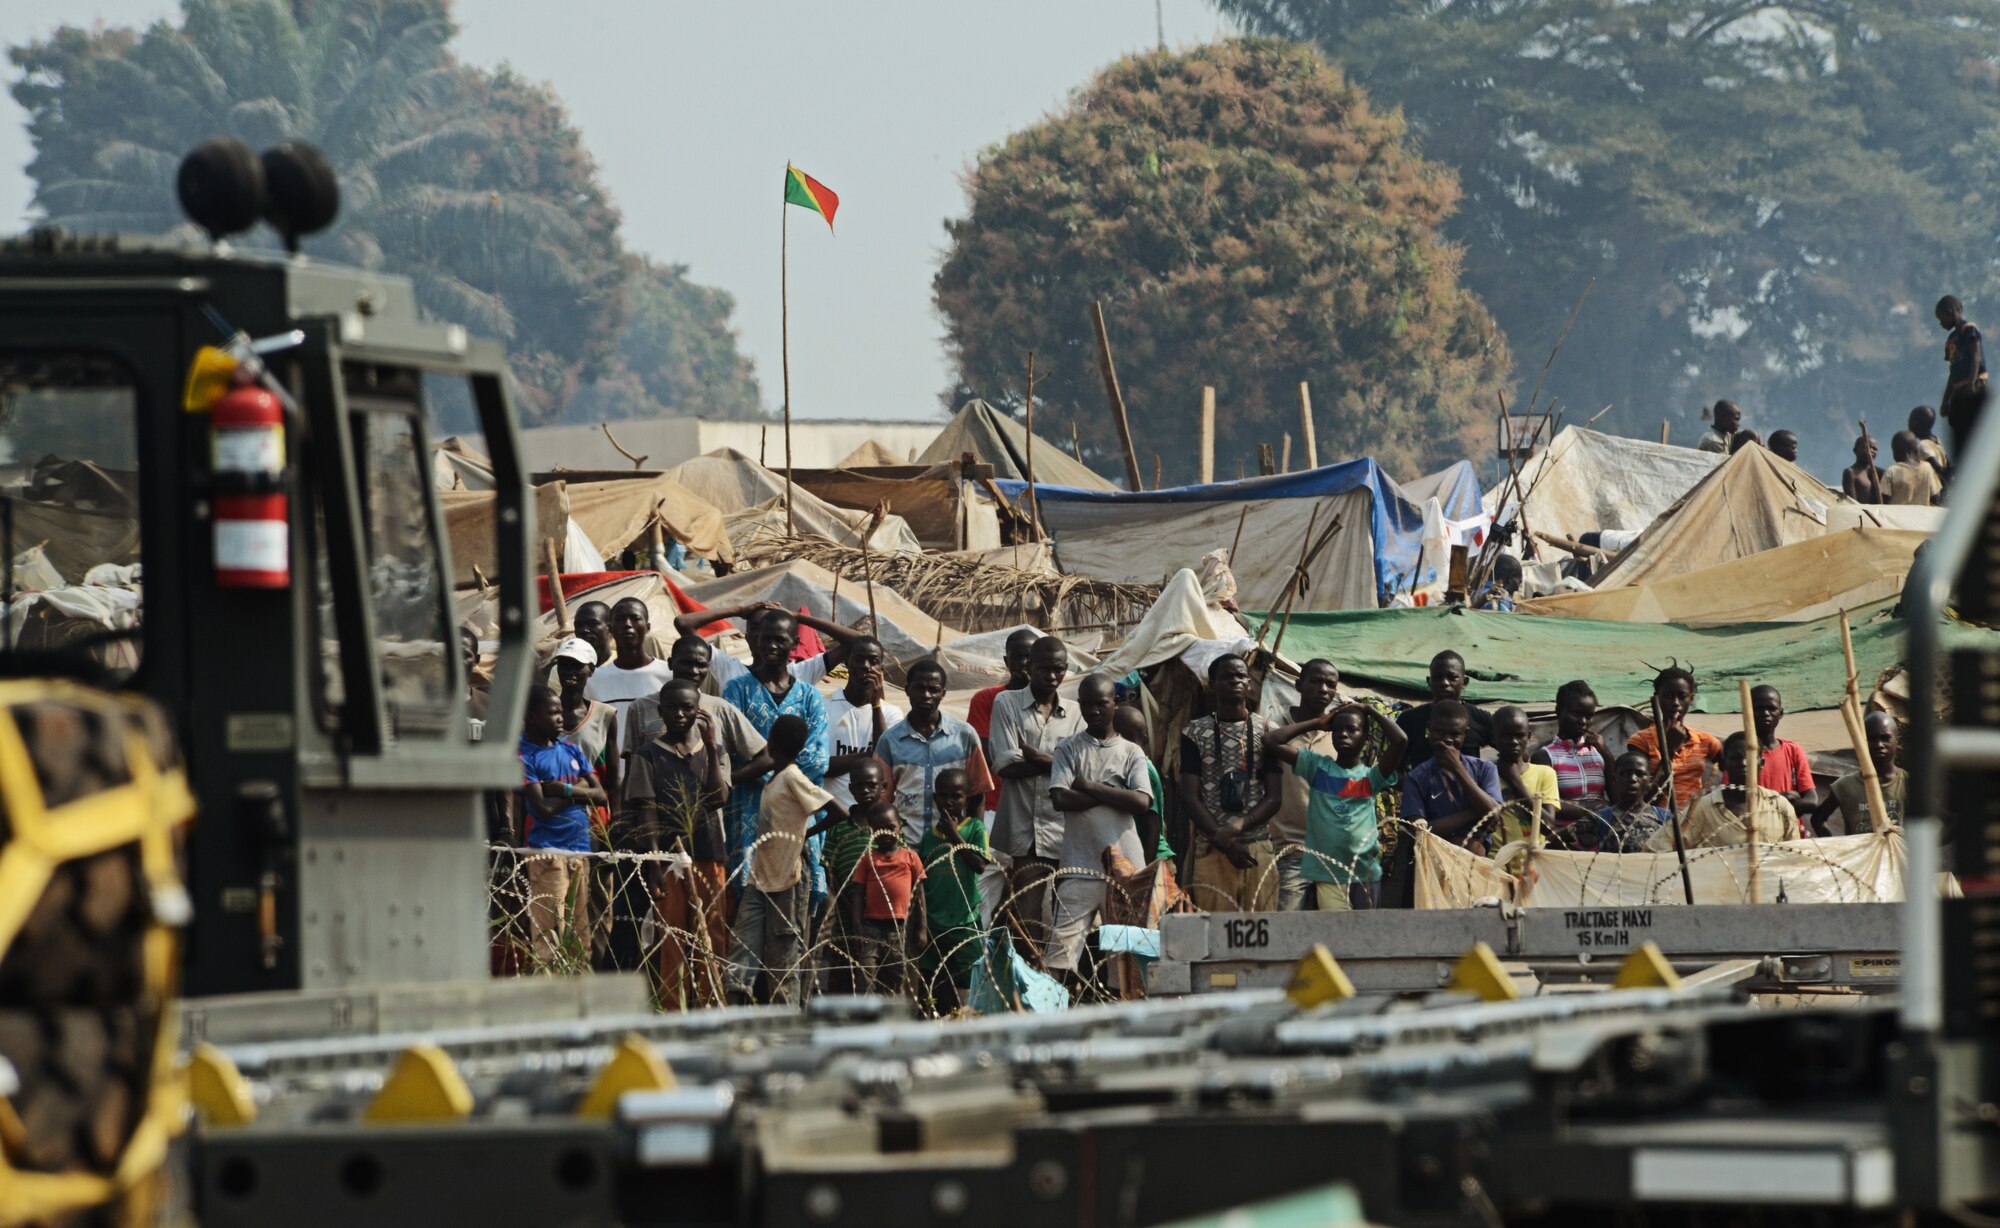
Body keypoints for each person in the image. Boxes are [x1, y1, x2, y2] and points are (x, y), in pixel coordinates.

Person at [621, 679, 730, 1007]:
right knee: (672, 938)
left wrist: (710, 747)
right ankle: (674, 1008)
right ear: (661, 711)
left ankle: (710, 1007)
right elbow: (646, 810)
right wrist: (654, 863)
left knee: (712, 936)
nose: (680, 714)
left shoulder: (715, 751)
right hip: (669, 859)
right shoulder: (647, 755)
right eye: (672, 708)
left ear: (698, 711)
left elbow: (718, 798)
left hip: (709, 854)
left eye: (687, 708)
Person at [729, 714, 844, 1005]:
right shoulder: (778, 778)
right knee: (743, 946)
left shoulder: (793, 777)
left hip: (788, 877)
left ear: (771, 740)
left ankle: (786, 1021)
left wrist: (804, 835)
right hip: (761, 875)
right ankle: (734, 1010)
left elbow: (838, 811)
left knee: (783, 955)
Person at [1046, 674, 1155, 979]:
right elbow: (1060, 799)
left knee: (1126, 961)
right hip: (1079, 867)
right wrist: (1114, 792)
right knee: (1060, 955)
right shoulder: (1067, 748)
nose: (1093, 710)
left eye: (1101, 704)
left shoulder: (1132, 751)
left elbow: (1141, 802)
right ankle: (1054, 1016)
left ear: (1115, 704)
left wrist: (1088, 785)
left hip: (1124, 869)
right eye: (1087, 704)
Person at [720, 610, 831, 901]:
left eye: (779, 640)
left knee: (798, 895)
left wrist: (763, 764)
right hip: (748, 809)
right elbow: (729, 748)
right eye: (764, 638)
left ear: (793, 644)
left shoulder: (810, 697)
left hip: (796, 811)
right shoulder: (737, 690)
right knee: (747, 895)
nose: (770, 646)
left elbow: (819, 758)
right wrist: (776, 764)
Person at [988, 637, 1084, 954]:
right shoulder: (1007, 703)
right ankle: (1028, 989)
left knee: (1067, 921)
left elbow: (1082, 772)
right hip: (1024, 832)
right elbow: (1004, 763)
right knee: (1026, 923)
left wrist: (1039, 759)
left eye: (1058, 670)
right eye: (1045, 669)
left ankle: (1063, 990)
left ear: (1066, 670)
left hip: (1065, 832)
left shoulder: (1075, 713)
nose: (1052, 676)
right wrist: (1060, 763)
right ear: (1029, 667)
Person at [1266, 700, 1406, 910]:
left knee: (1364, 936)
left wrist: (1370, 710)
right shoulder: (1317, 768)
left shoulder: (1371, 777)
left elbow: (1400, 740)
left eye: (1352, 730)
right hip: (1329, 875)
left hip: (1364, 873)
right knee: (1337, 934)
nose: (1343, 734)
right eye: (1338, 729)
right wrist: (1318, 723)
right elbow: (1271, 741)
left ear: (1365, 738)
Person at [1180, 654, 1283, 913]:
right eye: (1227, 676)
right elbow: (1190, 797)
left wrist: (1237, 826)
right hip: (1213, 847)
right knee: (1215, 935)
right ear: (1212, 684)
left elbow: (1274, 797)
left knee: (1262, 932)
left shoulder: (1267, 731)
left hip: (1256, 846)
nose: (1235, 681)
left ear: (1250, 684)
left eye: (1241, 676)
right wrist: (1223, 840)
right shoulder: (1194, 732)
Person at [516, 685, 605, 968]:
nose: (560, 718)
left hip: (579, 850)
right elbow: (541, 809)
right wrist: (578, 791)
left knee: (580, 933)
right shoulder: (523, 755)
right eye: (552, 712)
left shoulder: (571, 749)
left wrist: (561, 789)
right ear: (531, 717)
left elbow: (601, 795)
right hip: (548, 852)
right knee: (550, 934)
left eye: (560, 712)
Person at [876, 656, 996, 843]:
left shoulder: (964, 736)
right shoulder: (890, 741)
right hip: (907, 846)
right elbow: (882, 800)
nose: (926, 695)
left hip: (951, 847)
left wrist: (973, 842)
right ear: (907, 690)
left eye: (933, 690)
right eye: (919, 688)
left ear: (943, 693)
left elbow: (977, 795)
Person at [916, 767, 990, 1012]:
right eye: (943, 796)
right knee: (936, 983)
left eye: (956, 796)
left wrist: (955, 836)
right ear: (935, 798)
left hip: (965, 922)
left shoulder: (975, 829)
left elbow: (979, 865)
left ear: (966, 799)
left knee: (968, 983)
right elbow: (921, 885)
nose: (949, 802)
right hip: (935, 926)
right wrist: (922, 924)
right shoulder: (929, 839)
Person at [671, 598, 867, 691]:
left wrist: (798, 617)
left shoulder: (800, 674)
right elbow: (684, 623)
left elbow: (858, 641)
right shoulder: (730, 669)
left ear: (791, 642)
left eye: (776, 634)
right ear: (747, 636)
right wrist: (738, 609)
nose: (765, 638)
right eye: (757, 629)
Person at [1271, 659, 1341, 911]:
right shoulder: (1276, 727)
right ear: (1299, 685)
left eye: (1330, 684)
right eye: (1316, 681)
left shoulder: (1340, 737)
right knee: (1286, 932)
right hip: (1290, 851)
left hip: (1332, 854)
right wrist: (1316, 723)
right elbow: (1269, 742)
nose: (1324, 689)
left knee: (1338, 935)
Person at [1648, 732, 1796, 850]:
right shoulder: (1703, 808)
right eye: (1736, 758)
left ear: (1761, 763)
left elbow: (1796, 855)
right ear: (1725, 764)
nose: (1743, 764)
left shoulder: (1779, 806)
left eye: (1749, 757)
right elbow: (1656, 847)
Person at [822, 756, 893, 992]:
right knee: (848, 969)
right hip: (846, 913)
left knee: (886, 970)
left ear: (883, 787)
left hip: (885, 915)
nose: (865, 790)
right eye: (859, 785)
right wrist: (847, 905)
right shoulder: (840, 828)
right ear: (850, 788)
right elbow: (830, 871)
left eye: (871, 785)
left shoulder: (891, 826)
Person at [1398, 699, 1504, 852]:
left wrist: (1457, 768)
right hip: (1435, 858)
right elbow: (1421, 832)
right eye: (1441, 733)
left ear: (1465, 734)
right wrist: (1475, 812)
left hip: (1475, 864)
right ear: (1429, 730)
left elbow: (1494, 817)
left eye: (1455, 734)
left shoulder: (1485, 769)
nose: (1448, 740)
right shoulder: (1417, 777)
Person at [846, 802, 927, 996]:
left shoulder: (910, 857)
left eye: (891, 827)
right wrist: (857, 924)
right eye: (879, 830)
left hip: (899, 927)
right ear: (872, 831)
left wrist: (922, 927)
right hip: (871, 927)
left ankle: (892, 1012)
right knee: (866, 970)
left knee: (897, 972)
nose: (886, 834)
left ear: (900, 826)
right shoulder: (868, 858)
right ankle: (867, 1013)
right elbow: (858, 892)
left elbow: (920, 893)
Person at [1490, 705, 1591, 855]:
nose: (1513, 742)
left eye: (1519, 736)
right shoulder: (1486, 773)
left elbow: (1548, 825)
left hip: (1533, 865)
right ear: (1493, 737)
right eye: (1506, 736)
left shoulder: (1544, 774)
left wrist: (1515, 781)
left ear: (1529, 736)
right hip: (1495, 863)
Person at [823, 636, 904, 814]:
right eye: (859, 659)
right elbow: (820, 766)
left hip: (873, 821)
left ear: (881, 668)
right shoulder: (823, 707)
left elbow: (885, 765)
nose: (866, 666)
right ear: (847, 663)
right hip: (830, 819)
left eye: (873, 661)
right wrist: (871, 755)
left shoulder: (891, 713)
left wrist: (876, 704)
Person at [1626, 665, 1723, 811]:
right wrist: (1669, 751)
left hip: (1693, 819)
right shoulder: (1641, 741)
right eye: (1669, 696)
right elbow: (1642, 797)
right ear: (1657, 698)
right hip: (1655, 820)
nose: (1675, 703)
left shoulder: (1705, 741)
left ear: (1691, 699)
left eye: (1682, 696)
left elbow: (1733, 769)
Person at [584, 598, 674, 749]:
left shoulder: (669, 675)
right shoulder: (594, 680)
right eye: (620, 619)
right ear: (610, 628)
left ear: (647, 627)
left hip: (659, 769)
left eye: (635, 618)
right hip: (614, 771)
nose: (627, 624)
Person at [968, 629, 1040, 817]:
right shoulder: (985, 700)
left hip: (1039, 805)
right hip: (996, 804)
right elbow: (990, 756)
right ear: (1007, 661)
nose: (1024, 664)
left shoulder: (1052, 704)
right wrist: (1048, 764)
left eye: (1030, 658)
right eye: (1018, 657)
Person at [551, 636, 619, 820]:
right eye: (564, 665)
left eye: (577, 665)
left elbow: (612, 779)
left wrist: (618, 821)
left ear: (591, 670)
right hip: (548, 816)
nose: (569, 671)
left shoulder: (605, 715)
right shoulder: (541, 713)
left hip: (592, 818)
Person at [1809, 711, 1905, 836]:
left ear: (1897, 740)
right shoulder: (1845, 786)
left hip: (1900, 855)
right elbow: (1818, 819)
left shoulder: (1909, 784)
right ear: (1861, 742)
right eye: (1871, 739)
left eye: (1885, 738)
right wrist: (1837, 851)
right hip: (1863, 855)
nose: (1879, 745)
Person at [1396, 651, 1494, 765]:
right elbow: (1395, 767)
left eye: (1452, 677)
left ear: (1465, 682)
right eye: (1438, 678)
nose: (1444, 683)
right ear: (1429, 681)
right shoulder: (1409, 719)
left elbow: (1510, 752)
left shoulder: (1481, 719)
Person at [1532, 680, 1608, 814]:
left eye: (1588, 716)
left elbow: (1618, 799)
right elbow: (1546, 806)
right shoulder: (1545, 757)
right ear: (1559, 712)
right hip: (1562, 832)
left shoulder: (1598, 753)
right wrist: (1594, 807)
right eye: (1576, 714)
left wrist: (1606, 753)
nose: (1583, 722)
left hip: (1601, 831)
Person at [1112, 703, 1172, 864]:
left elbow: (1152, 827)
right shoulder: (1126, 766)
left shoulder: (1142, 769)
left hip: (1153, 858)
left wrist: (1144, 871)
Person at [1750, 684, 1815, 820]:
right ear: (1747, 712)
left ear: (1781, 713)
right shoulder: (1741, 751)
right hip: (1755, 832)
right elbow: (1733, 800)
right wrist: (1781, 800)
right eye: (1758, 708)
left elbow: (1812, 800)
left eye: (1771, 708)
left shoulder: (1793, 751)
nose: (1765, 713)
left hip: (1791, 833)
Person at [1937, 294, 1987, 458]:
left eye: (1941, 318)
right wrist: (1946, 399)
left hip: (1974, 385)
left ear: (1949, 312)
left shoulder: (1969, 330)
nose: (1941, 323)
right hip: (1959, 389)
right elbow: (1953, 371)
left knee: (1976, 423)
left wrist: (1972, 383)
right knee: (1958, 424)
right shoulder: (1951, 340)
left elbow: (1975, 357)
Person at [1593, 752, 1672, 852]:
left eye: (1639, 774)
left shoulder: (1667, 818)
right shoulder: (1601, 819)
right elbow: (1569, 846)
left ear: (1650, 781)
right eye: (1625, 774)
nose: (1632, 779)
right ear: (1614, 779)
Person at [1883, 431, 1943, 506]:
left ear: (1896, 451)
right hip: (1921, 516)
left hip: (1896, 517)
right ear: (1915, 449)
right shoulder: (1927, 468)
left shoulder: (1891, 471)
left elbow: (1884, 501)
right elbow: (1936, 498)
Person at [1909, 405, 1949, 485]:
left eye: (1911, 421)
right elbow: (1946, 462)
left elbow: (1938, 468)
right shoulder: (1937, 441)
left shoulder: (1922, 445)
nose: (1909, 424)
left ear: (1918, 424)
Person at [1842, 435, 1883, 504]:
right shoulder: (1850, 472)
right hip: (1861, 513)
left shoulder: (1880, 473)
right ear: (1855, 450)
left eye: (1874, 449)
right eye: (1866, 447)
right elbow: (1852, 503)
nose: (1871, 451)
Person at [572, 600, 614, 667]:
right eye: (578, 625)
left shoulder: (628, 665)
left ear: (610, 627)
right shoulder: (564, 669)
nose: (584, 630)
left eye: (592, 624)